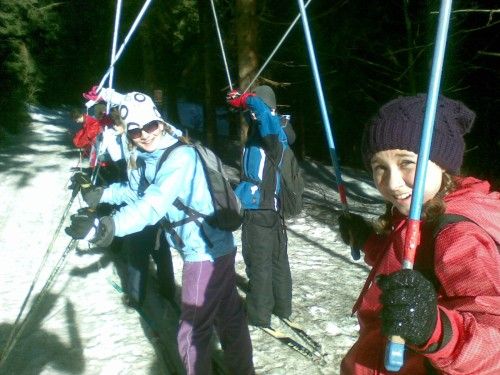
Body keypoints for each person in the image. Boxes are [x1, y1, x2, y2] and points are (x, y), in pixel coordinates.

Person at [66, 90, 254, 375]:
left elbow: (152, 205)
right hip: (217, 247)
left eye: (150, 125)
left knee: (191, 333)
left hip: (205, 251)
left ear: (160, 122)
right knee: (229, 316)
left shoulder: (179, 157)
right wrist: (102, 193)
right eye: (135, 130)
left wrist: (105, 227)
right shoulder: (151, 156)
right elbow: (135, 191)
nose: (144, 135)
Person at [338, 94, 500, 374]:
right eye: (380, 168)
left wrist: (435, 331)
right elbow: (416, 262)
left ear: (443, 162)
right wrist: (369, 240)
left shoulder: (458, 234)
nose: (393, 183)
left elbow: (493, 345)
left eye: (407, 163)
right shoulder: (421, 210)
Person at [226, 85, 293, 328]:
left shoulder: (271, 131)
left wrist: (247, 100)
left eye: (257, 110)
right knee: (277, 260)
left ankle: (258, 314)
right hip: (271, 209)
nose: (253, 115)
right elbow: (257, 115)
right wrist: (240, 100)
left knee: (259, 262)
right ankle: (283, 307)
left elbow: (262, 113)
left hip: (258, 209)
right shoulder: (274, 131)